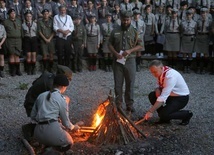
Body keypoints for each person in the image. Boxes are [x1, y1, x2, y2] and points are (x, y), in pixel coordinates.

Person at [30, 74, 80, 152]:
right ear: (63, 87)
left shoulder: (41, 95)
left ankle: (46, 145)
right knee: (69, 142)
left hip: (37, 133)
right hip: (50, 131)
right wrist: (74, 127)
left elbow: (33, 116)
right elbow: (66, 123)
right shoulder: (61, 99)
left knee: (54, 134)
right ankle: (50, 150)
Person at [22, 65, 73, 142]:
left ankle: (44, 126)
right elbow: (50, 104)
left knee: (64, 99)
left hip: (33, 102)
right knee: (63, 101)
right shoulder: (50, 85)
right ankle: (31, 128)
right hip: (31, 105)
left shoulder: (50, 77)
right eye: (67, 79)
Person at [108, 10, 143, 114]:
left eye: (128, 20)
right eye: (124, 20)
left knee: (130, 83)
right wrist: (115, 53)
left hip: (130, 60)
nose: (126, 22)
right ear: (121, 19)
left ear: (131, 19)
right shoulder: (115, 30)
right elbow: (109, 44)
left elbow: (140, 45)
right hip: (118, 60)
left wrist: (130, 51)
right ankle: (118, 104)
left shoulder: (135, 31)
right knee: (118, 84)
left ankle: (129, 105)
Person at [144, 60, 193, 125]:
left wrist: (150, 111)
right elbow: (159, 85)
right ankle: (165, 118)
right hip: (170, 95)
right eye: (152, 72)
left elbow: (162, 98)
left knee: (163, 114)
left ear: (161, 68)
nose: (154, 74)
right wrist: (157, 89)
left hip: (180, 98)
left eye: (155, 72)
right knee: (152, 95)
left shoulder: (170, 76)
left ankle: (186, 114)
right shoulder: (161, 71)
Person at [3, 8, 22, 76]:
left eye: (14, 13)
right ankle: (13, 71)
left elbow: (21, 30)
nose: (13, 14)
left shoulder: (19, 21)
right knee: (11, 55)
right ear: (9, 14)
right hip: (10, 40)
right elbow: (4, 32)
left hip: (18, 39)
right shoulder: (5, 22)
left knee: (17, 55)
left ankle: (18, 70)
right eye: (11, 13)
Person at [22, 10, 38, 75]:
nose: (29, 17)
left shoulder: (35, 24)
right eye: (27, 16)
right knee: (28, 55)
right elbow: (22, 33)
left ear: (32, 17)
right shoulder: (23, 25)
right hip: (27, 39)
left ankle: (33, 69)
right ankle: (29, 69)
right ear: (25, 17)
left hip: (34, 39)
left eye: (30, 16)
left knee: (34, 55)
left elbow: (37, 32)